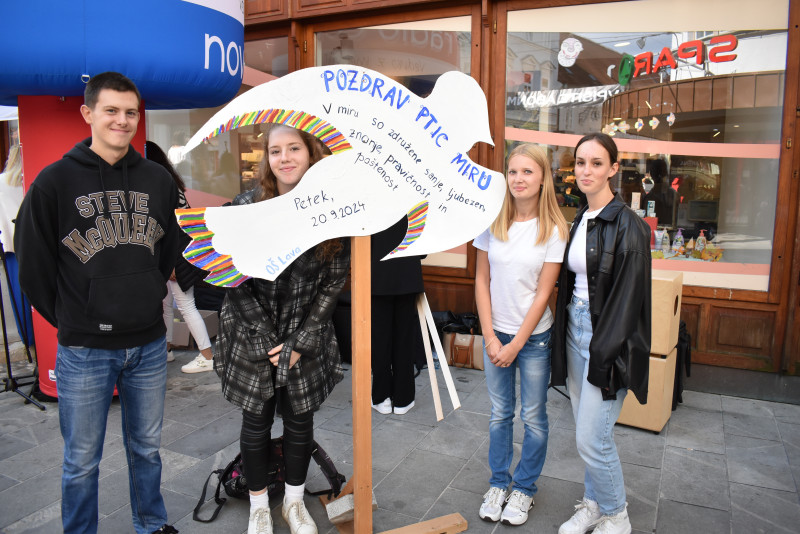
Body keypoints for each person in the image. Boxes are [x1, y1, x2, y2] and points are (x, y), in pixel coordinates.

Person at [13, 72, 180, 534]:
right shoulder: (54, 182)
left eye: (130, 112)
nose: (122, 121)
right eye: (111, 111)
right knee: (81, 460)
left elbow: (168, 248)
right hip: (85, 349)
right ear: (88, 113)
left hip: (148, 343)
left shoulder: (157, 179)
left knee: (147, 449)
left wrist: (146, 292)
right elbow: (33, 265)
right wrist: (74, 315)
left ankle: (151, 523)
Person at [214, 124, 350, 534]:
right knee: (256, 423)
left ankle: (293, 502)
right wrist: (270, 340)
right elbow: (230, 278)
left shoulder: (333, 207)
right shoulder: (245, 206)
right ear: (267, 158)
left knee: (299, 421)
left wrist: (301, 341)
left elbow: (334, 280)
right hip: (251, 331)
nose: (285, 158)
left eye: (294, 148)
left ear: (311, 153)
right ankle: (258, 506)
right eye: (276, 150)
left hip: (305, 329)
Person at [552, 133, 651, 534]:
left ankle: (617, 515)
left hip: (606, 339)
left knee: (593, 439)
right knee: (588, 431)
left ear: (613, 168)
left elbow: (627, 305)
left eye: (596, 163)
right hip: (575, 330)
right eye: (580, 162)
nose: (586, 171)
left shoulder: (630, 226)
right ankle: (594, 505)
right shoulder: (582, 217)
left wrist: (603, 356)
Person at [473, 143, 568, 526]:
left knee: (533, 417)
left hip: (534, 340)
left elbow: (544, 294)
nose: (518, 179)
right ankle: (499, 483)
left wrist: (515, 344)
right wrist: (490, 338)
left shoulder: (553, 230)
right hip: (495, 333)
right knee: (499, 415)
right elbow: (481, 280)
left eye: (527, 171)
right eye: (512, 171)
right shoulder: (493, 221)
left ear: (543, 178)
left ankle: (524, 488)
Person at [145, 140, 215, 373]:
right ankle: (166, 350)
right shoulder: (170, 181)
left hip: (177, 252)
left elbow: (173, 226)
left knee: (185, 305)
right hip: (178, 249)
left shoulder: (160, 183)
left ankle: (207, 356)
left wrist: (172, 262)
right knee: (166, 303)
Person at [370, 217, 425, 415]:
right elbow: (424, 245)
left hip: (377, 271)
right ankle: (403, 398)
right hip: (407, 271)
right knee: (404, 339)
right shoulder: (415, 198)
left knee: (380, 340)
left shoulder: (373, 200)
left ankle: (381, 397)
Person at [0, 141, 34, 345]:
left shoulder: (1, 182)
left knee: (20, 295)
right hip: (37, 244)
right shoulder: (36, 177)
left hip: (12, 245)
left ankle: (28, 338)